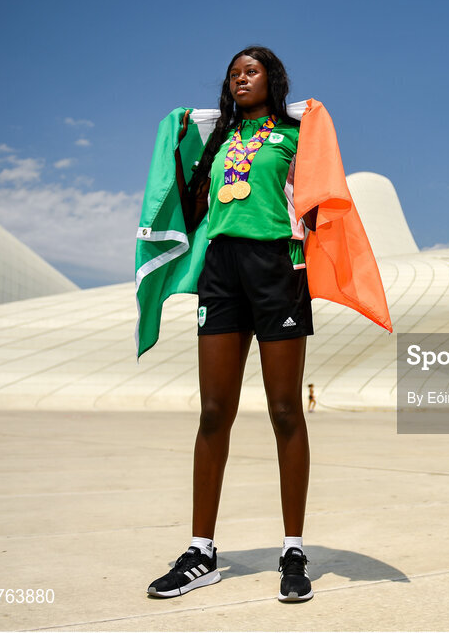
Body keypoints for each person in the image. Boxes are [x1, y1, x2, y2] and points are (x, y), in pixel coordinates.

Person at [146, 46, 316, 603]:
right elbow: (186, 183)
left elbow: (319, 197)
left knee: (285, 409)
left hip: (277, 268)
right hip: (220, 269)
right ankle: (201, 552)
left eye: (252, 71)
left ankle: (293, 549)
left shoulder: (294, 134)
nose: (241, 79)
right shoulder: (217, 141)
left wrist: (311, 120)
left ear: (273, 80)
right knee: (214, 411)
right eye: (233, 74)